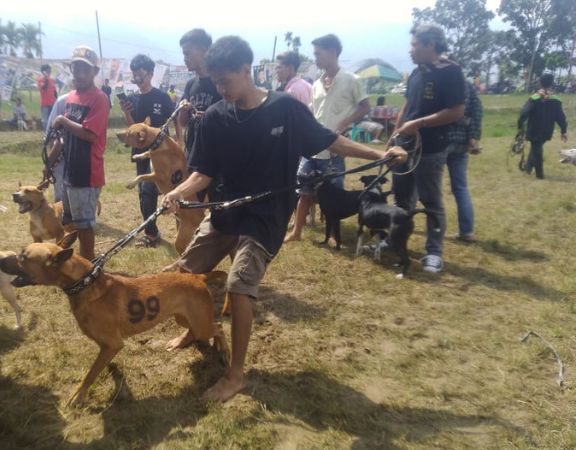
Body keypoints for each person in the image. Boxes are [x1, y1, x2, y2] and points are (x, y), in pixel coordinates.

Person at [160, 36, 407, 403]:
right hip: (226, 211)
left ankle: (236, 375)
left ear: (247, 70)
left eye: (226, 81)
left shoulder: (285, 109)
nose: (221, 90)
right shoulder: (214, 117)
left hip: (266, 217)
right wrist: (177, 193)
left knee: (239, 287)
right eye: (216, 83)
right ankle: (197, 330)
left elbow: (330, 141)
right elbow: (203, 173)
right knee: (182, 275)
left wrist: (379, 154)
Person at [391, 24, 466, 274]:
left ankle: (434, 252)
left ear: (430, 44)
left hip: (431, 147)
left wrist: (419, 123)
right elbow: (407, 106)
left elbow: (456, 110)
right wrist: (396, 132)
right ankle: (397, 241)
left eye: (414, 45)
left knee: (430, 200)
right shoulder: (416, 73)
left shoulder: (450, 71)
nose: (410, 50)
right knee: (401, 197)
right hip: (404, 145)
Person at [284, 34, 370, 243]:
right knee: (304, 190)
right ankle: (296, 231)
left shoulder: (351, 80)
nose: (315, 59)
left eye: (318, 54)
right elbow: (313, 111)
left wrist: (345, 123)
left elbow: (365, 106)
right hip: (312, 146)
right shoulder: (316, 84)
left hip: (334, 148)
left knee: (335, 191)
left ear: (332, 52)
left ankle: (333, 235)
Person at [48, 46, 109, 261]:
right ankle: (75, 263)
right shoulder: (72, 97)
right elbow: (64, 137)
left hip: (87, 173)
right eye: (76, 68)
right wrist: (50, 162)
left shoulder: (99, 98)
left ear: (95, 72)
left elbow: (90, 134)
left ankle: (89, 265)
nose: (80, 74)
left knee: (84, 226)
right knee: (70, 222)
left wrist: (63, 120)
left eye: (85, 69)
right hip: (70, 171)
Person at [120, 54, 175, 248]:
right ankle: (152, 233)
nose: (137, 79)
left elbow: (174, 120)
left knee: (149, 188)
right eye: (134, 75)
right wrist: (126, 112)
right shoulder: (132, 99)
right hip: (140, 152)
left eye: (140, 75)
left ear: (151, 74)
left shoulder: (162, 97)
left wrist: (179, 141)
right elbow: (132, 128)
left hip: (161, 152)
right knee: (144, 194)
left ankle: (165, 228)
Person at [175, 29, 222, 160]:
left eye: (187, 53)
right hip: (193, 153)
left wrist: (208, 118)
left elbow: (234, 120)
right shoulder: (190, 84)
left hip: (216, 155)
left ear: (204, 50)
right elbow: (183, 123)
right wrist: (183, 110)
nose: (185, 59)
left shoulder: (222, 83)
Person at [445, 81, 482, 242]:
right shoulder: (467, 85)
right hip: (462, 142)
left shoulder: (442, 81)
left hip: (441, 140)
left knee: (427, 185)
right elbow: (477, 111)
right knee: (461, 188)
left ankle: (405, 220)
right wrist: (473, 136)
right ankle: (466, 231)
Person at [518, 72, 568, 179]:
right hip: (547, 131)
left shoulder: (534, 98)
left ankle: (539, 174)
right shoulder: (556, 100)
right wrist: (563, 130)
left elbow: (523, 113)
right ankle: (528, 168)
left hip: (534, 130)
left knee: (537, 149)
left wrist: (520, 126)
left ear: (540, 83)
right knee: (536, 147)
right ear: (551, 84)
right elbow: (561, 117)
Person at [46, 90, 69, 203]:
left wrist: (49, 163)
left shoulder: (62, 101)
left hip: (62, 155)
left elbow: (54, 136)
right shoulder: (62, 101)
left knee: (61, 197)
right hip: (64, 155)